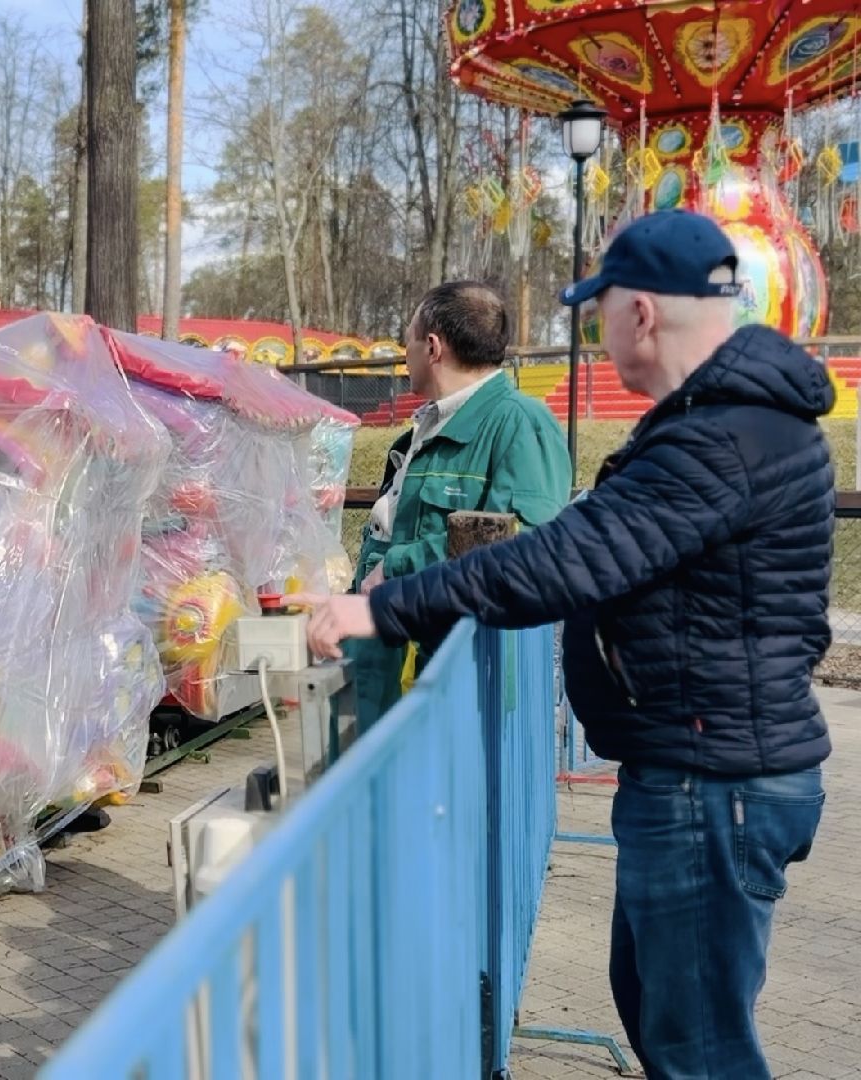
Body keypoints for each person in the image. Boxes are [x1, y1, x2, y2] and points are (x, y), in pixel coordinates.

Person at [289, 210, 833, 1079]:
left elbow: (562, 558)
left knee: (699, 1047)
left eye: (600, 310)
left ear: (642, 312)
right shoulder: (731, 421)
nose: (596, 331)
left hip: (714, 779)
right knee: (661, 1015)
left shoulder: (724, 435)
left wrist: (383, 610)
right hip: (704, 765)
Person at [348, 281, 570, 731]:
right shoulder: (422, 429)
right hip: (390, 663)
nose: (404, 353)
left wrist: (397, 567)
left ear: (432, 346)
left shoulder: (519, 425)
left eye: (407, 341)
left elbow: (523, 542)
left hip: (458, 679)